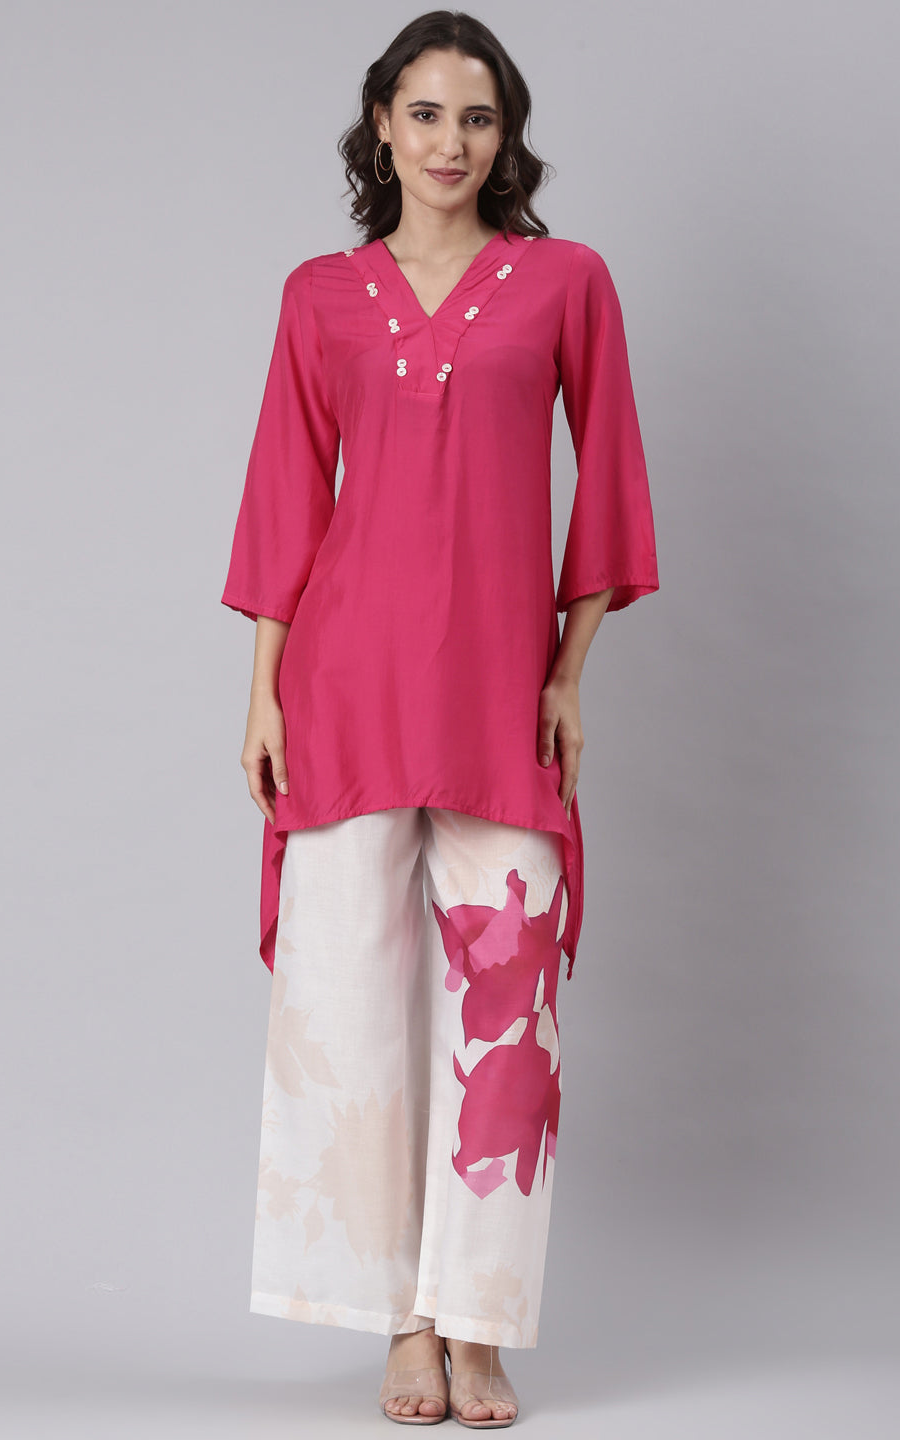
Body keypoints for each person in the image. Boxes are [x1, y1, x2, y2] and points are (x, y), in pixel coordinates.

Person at [220, 10, 659, 1427]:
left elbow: (611, 478)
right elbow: (287, 494)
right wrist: (263, 690)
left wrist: (568, 673)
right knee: (350, 1009)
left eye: (477, 117)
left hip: (496, 696)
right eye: (424, 114)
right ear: (382, 126)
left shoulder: (565, 282)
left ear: (506, 134)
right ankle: (403, 1322)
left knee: (505, 1007)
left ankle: (479, 1321)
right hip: (345, 688)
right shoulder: (322, 296)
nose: (450, 143)